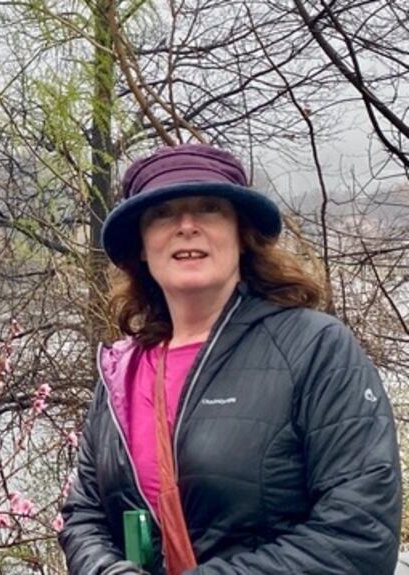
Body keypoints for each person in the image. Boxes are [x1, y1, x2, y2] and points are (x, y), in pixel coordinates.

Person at [57, 143, 402, 575]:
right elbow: (84, 514)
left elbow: (361, 533)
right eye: (162, 213)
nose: (187, 226)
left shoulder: (314, 348)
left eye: (209, 208)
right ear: (141, 245)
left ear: (242, 234)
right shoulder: (120, 374)